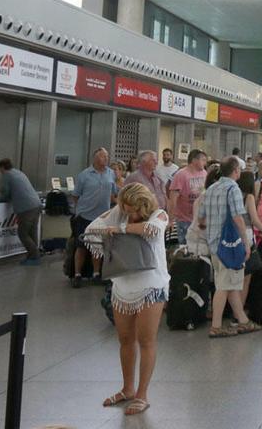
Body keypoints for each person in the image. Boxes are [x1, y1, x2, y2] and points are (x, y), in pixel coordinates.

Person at [88, 184, 168, 416]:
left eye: (132, 209)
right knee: (125, 339)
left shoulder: (159, 214)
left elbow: (152, 229)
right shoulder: (119, 212)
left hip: (151, 285)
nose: (128, 213)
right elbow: (93, 228)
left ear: (143, 205)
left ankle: (142, 394)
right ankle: (127, 388)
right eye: (125, 208)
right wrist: (113, 216)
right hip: (122, 284)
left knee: (146, 340)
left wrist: (119, 228)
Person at [198, 157, 261, 338]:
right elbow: (238, 218)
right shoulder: (233, 188)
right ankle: (216, 326)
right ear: (235, 171)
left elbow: (201, 217)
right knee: (224, 286)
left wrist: (206, 226)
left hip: (214, 244)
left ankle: (243, 321)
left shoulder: (211, 188)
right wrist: (245, 243)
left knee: (229, 283)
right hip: (230, 245)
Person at [70, 147, 117, 287]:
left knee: (97, 245)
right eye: (103, 156)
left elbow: (113, 194)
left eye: (107, 156)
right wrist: (82, 209)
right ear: (95, 158)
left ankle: (96, 273)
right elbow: (75, 195)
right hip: (85, 216)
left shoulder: (111, 173)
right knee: (81, 245)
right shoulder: (84, 175)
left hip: (102, 217)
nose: (106, 159)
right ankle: (77, 274)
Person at [0, 158, 42, 265]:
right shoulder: (18, 172)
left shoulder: (6, 175)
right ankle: (33, 255)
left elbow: (6, 193)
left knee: (23, 233)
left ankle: (35, 256)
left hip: (25, 208)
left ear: (2, 167)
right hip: (36, 204)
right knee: (32, 232)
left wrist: (1, 193)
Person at [237, 171, 262, 305]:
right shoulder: (248, 197)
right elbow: (254, 219)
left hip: (232, 236)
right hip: (247, 236)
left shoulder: (233, 195)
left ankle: (231, 308)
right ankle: (239, 311)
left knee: (234, 277)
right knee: (246, 277)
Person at [168, 149, 207, 244]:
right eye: (203, 160)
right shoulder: (181, 175)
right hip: (184, 219)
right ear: (194, 160)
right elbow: (173, 199)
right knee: (185, 246)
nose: (205, 163)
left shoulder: (204, 173)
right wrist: (171, 219)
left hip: (199, 218)